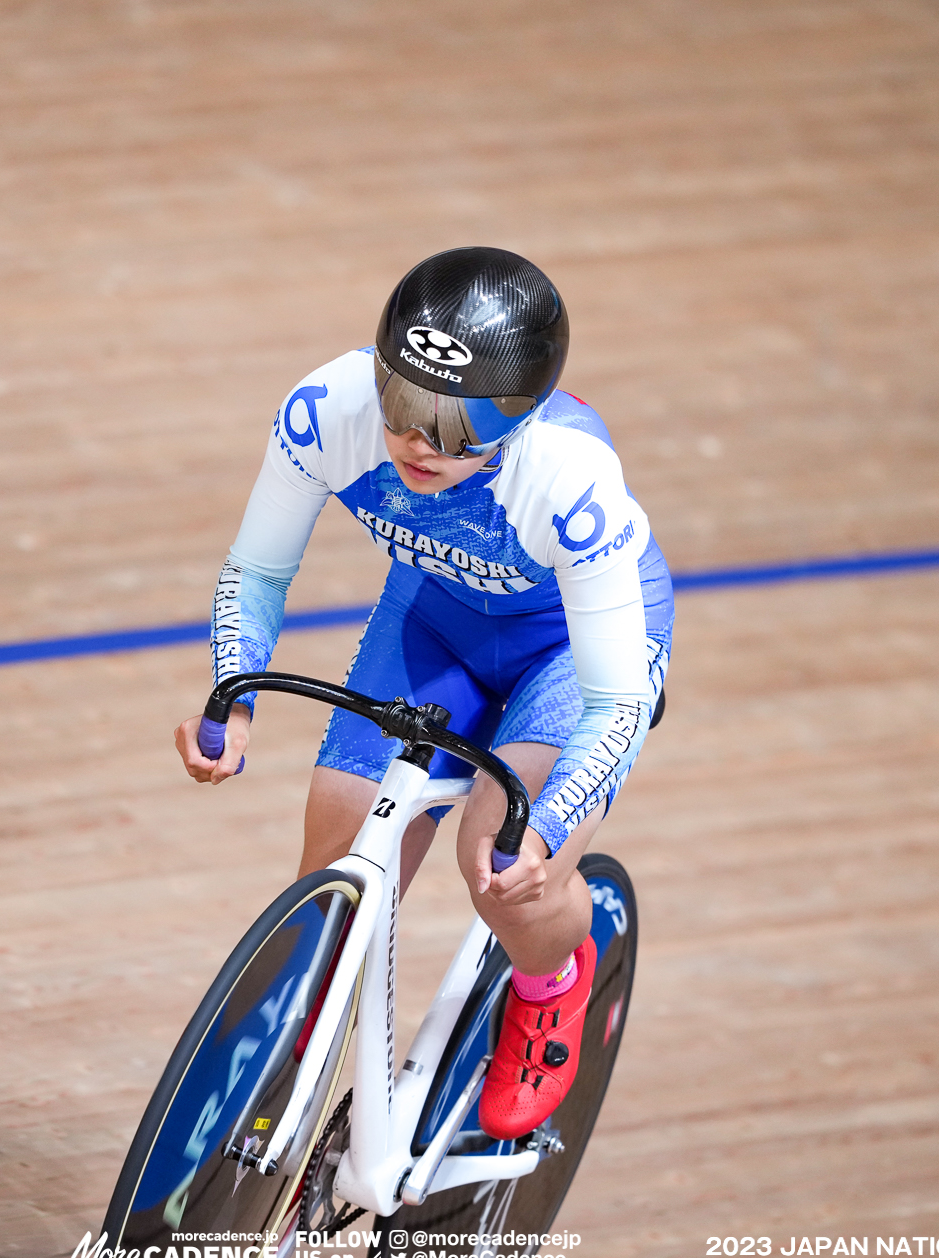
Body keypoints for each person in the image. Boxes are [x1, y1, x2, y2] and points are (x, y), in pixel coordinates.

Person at [173, 247, 672, 1139]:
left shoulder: (568, 480)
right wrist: (231, 693)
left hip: (569, 659)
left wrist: (547, 831)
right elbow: (256, 569)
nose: (418, 445)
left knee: (498, 861)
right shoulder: (328, 410)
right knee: (339, 840)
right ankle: (280, 1064)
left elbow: (616, 704)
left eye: (457, 431)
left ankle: (552, 980)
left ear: (518, 421)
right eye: (405, 407)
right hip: (436, 618)